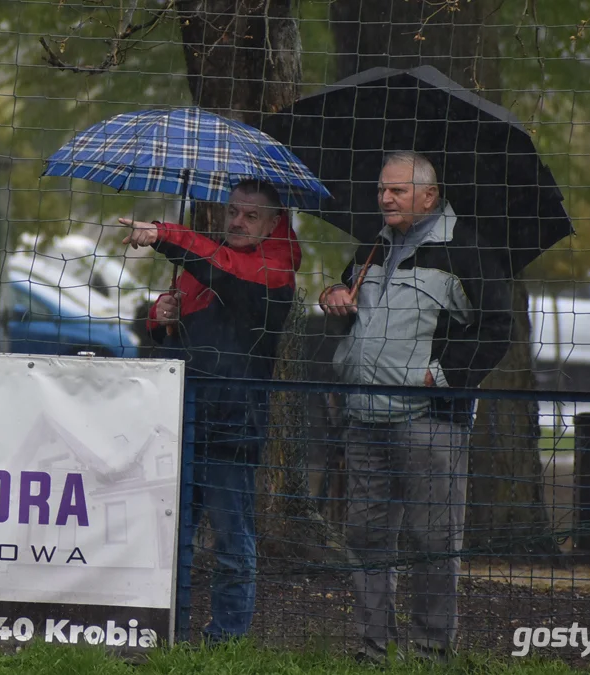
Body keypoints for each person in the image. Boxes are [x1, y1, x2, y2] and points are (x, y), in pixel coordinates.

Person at [318, 151, 512, 663]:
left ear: (429, 196)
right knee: (363, 538)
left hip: (431, 421)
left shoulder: (466, 251)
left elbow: (497, 330)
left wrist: (442, 377)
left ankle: (430, 653)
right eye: (382, 190)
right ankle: (372, 649)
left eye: (397, 191)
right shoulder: (370, 248)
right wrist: (333, 294)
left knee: (433, 540)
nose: (385, 198)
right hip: (363, 418)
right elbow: (349, 308)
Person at [119, 179, 301, 643]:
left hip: (232, 428)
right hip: (179, 419)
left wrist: (162, 234)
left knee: (231, 544)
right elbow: (180, 336)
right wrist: (162, 322)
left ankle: (226, 641)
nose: (237, 221)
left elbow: (222, 271)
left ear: (274, 224)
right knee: (168, 536)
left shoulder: (273, 270)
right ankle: (164, 631)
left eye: (250, 215)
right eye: (232, 212)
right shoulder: (210, 259)